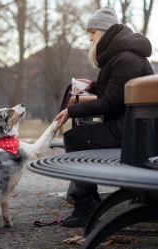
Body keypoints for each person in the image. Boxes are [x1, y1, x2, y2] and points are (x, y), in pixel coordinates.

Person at [55, 6, 154, 227]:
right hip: (130, 126)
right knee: (79, 136)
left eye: (93, 32)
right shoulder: (122, 56)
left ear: (105, 32)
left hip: (134, 132)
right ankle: (88, 200)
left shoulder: (125, 58)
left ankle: (85, 207)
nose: (90, 38)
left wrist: (71, 111)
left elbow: (109, 104)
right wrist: (91, 85)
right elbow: (117, 93)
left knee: (75, 137)